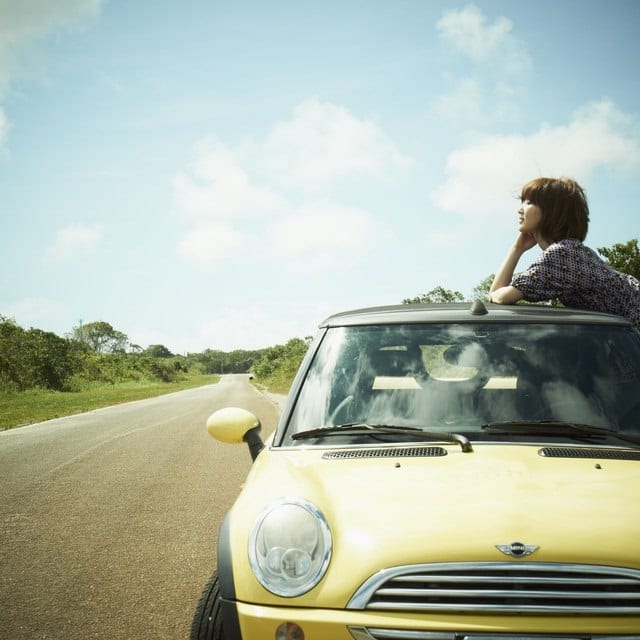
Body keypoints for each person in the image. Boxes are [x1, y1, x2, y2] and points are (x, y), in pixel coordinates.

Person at [489, 176, 640, 326]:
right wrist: (518, 248)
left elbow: (500, 297)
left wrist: (516, 249)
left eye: (529, 202)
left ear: (551, 210)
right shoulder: (574, 250)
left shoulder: (562, 254)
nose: (520, 210)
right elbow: (496, 297)